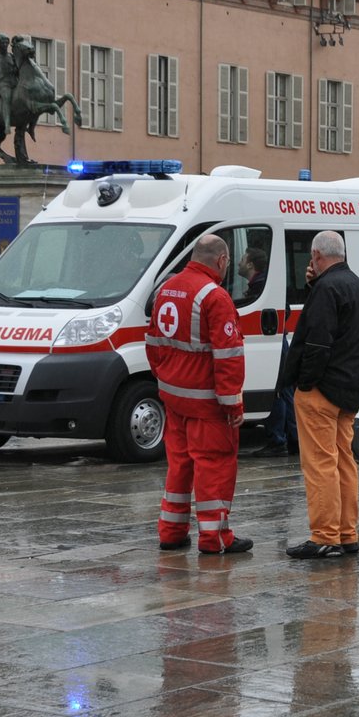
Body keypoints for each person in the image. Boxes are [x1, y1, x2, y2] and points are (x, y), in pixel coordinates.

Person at [145, 234, 253, 555]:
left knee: (179, 464)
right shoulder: (215, 297)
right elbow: (228, 356)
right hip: (207, 404)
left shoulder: (167, 289)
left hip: (174, 399)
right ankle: (214, 537)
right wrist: (232, 402)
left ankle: (172, 532)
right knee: (214, 465)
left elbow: (153, 344)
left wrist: (167, 379)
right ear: (221, 261)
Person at [284, 230, 359, 560]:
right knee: (344, 462)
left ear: (318, 257)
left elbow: (318, 342)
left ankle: (324, 535)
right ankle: (346, 533)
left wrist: (305, 382)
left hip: (321, 390)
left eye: (312, 259)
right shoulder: (357, 286)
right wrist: (312, 286)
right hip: (348, 388)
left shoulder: (326, 288)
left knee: (320, 464)